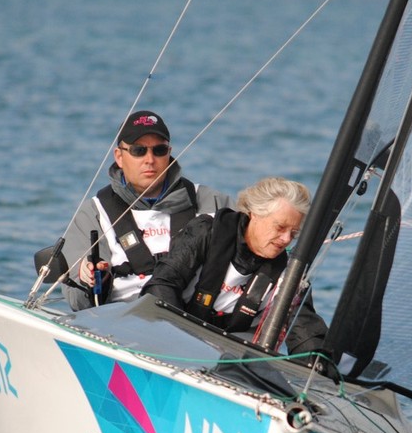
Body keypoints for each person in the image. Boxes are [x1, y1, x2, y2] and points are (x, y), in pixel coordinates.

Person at [62, 110, 233, 311]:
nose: (150, 159)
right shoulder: (93, 213)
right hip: (121, 323)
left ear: (169, 153)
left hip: (195, 321)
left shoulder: (212, 202)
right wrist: (87, 278)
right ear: (119, 156)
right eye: (138, 151)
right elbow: (77, 302)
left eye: (159, 150)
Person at [141, 176, 327, 357]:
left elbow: (303, 326)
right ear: (254, 214)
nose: (286, 239)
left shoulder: (288, 272)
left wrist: (317, 361)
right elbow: (162, 284)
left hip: (227, 356)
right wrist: (176, 341)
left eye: (293, 233)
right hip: (171, 340)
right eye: (280, 227)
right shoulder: (206, 232)